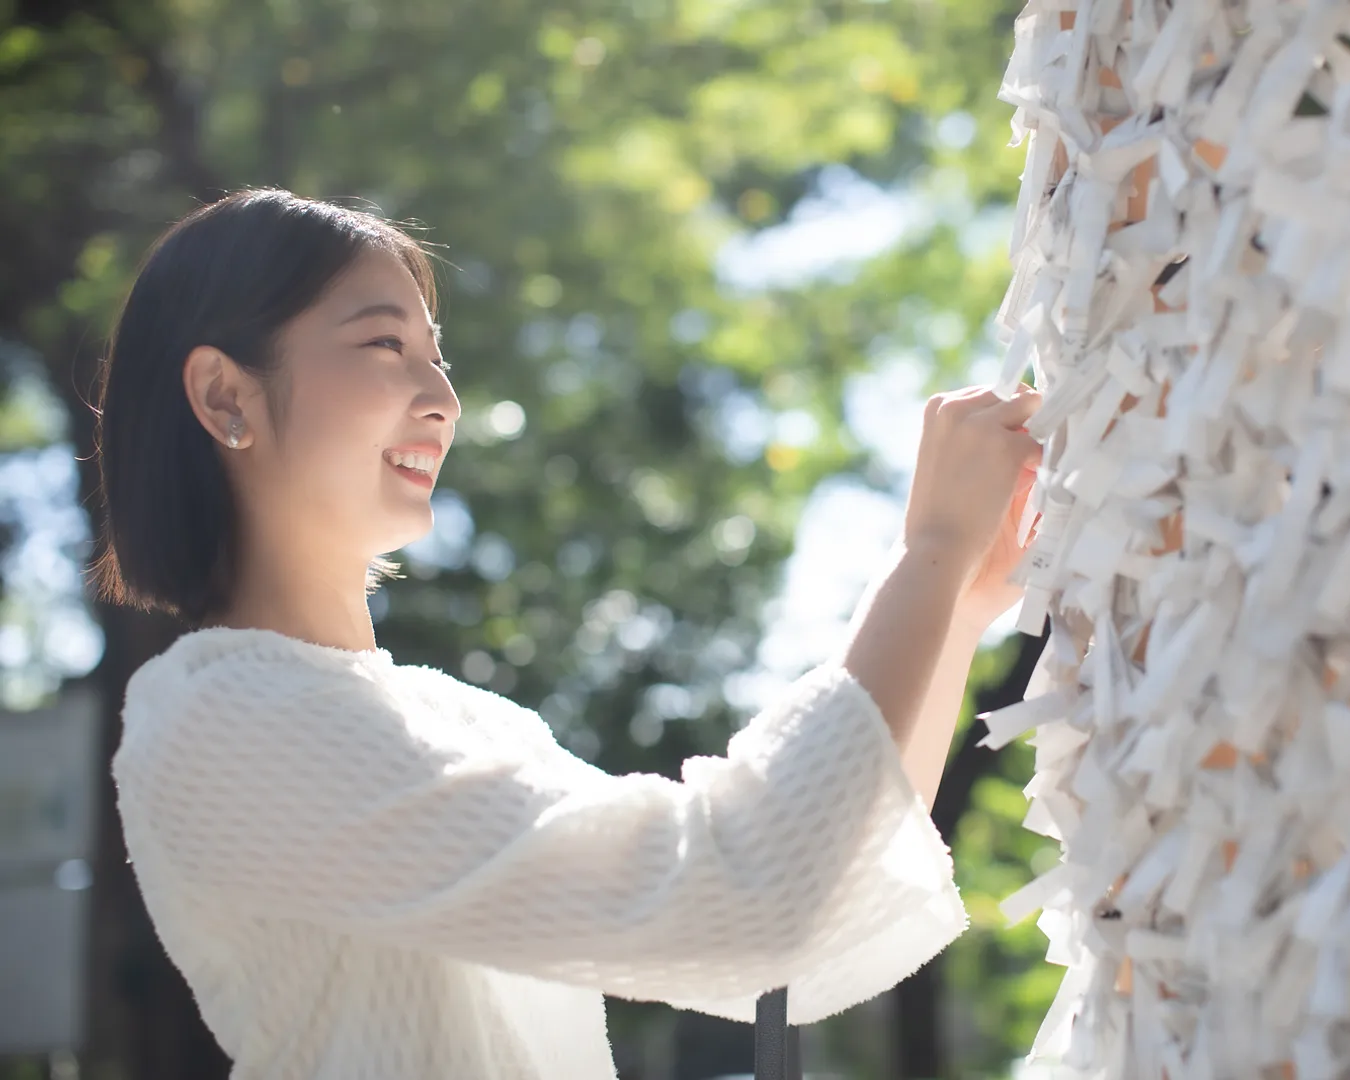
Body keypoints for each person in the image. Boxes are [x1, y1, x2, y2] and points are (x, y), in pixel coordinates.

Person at [94, 187, 1042, 1078]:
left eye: (440, 356)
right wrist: (927, 553)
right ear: (226, 397)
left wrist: (953, 603)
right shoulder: (221, 716)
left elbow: (808, 898)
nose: (442, 397)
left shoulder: (459, 720)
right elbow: (745, 891)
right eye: (384, 345)